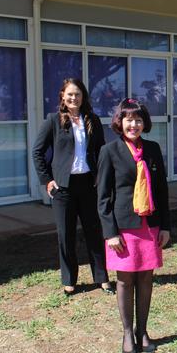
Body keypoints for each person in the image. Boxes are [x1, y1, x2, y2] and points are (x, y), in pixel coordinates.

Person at [97, 98, 170, 353]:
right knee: (125, 280)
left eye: (138, 120)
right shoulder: (110, 151)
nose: (134, 124)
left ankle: (143, 331)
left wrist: (165, 227)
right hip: (123, 227)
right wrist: (110, 233)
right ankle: (128, 332)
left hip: (149, 225)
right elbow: (103, 197)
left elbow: (161, 191)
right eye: (129, 119)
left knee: (146, 279)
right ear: (120, 122)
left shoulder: (152, 149)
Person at [32, 78, 112, 296]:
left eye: (77, 94)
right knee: (65, 235)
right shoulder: (53, 120)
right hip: (63, 188)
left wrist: (100, 176)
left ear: (83, 96)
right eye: (69, 94)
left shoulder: (92, 120)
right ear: (62, 96)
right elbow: (38, 152)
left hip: (88, 184)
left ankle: (102, 277)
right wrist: (47, 180)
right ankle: (69, 280)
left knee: (94, 231)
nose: (73, 98)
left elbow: (102, 152)